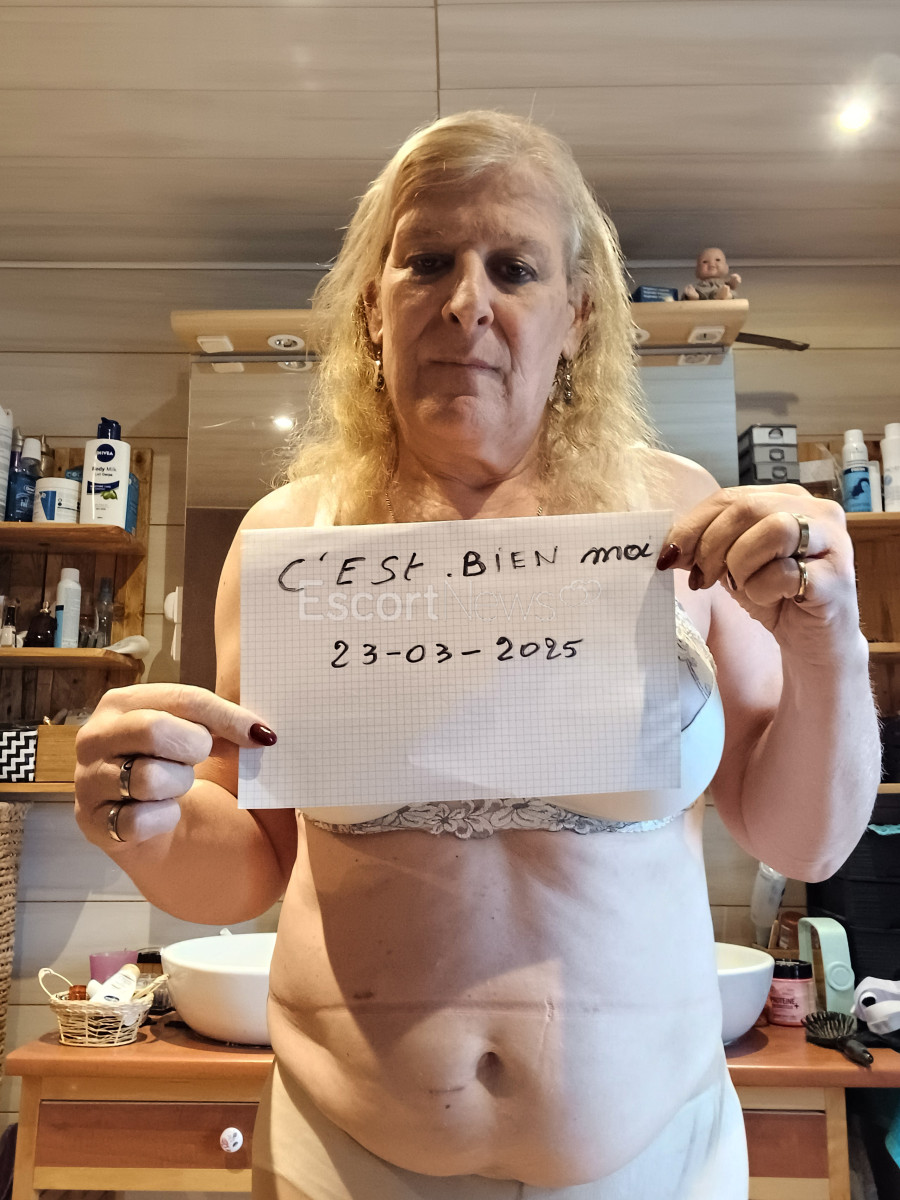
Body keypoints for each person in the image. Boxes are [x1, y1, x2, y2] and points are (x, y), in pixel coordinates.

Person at [73, 111, 880, 1199]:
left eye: (514, 268)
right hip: (340, 1157)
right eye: (427, 261)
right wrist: (142, 816)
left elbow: (805, 837)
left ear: (577, 315)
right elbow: (251, 858)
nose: (467, 301)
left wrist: (828, 638)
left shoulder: (681, 517)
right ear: (373, 306)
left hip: (653, 1160)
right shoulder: (290, 540)